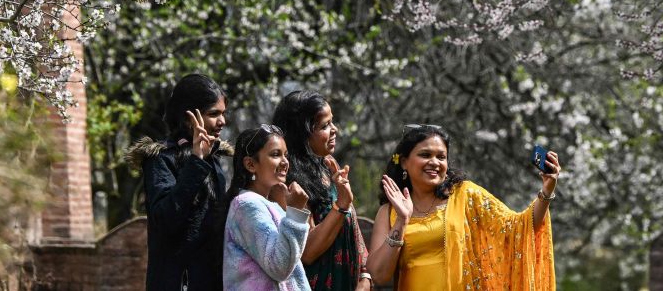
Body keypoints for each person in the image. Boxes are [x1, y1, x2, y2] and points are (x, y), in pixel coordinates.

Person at [366, 124, 559, 290]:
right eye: (425, 155)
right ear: (405, 162)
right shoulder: (389, 212)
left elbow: (519, 228)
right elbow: (379, 275)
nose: (434, 162)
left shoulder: (466, 195)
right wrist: (402, 220)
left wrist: (547, 191)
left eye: (441, 157)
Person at [129, 73, 231, 291]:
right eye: (214, 114)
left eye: (223, 113)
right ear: (188, 118)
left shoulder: (213, 157)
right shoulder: (160, 159)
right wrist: (196, 162)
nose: (222, 121)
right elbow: (166, 218)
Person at [271, 90, 371, 291]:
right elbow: (307, 251)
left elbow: (352, 225)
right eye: (324, 126)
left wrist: (364, 277)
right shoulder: (287, 181)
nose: (334, 130)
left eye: (332, 122)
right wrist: (341, 204)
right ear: (302, 133)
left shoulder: (328, 166)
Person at [220, 124, 312, 291]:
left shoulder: (269, 204)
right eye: (276, 154)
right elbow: (279, 267)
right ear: (250, 164)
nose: (285, 162)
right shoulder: (246, 205)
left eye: (286, 155)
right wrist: (295, 214)